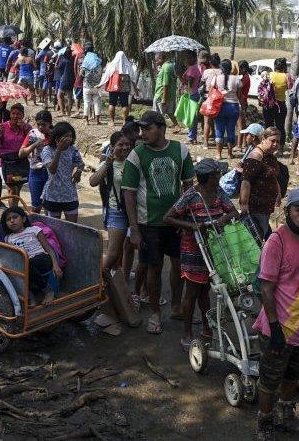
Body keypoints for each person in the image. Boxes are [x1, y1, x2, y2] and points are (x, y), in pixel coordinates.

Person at [253, 188, 299, 441]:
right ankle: (264, 421)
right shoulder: (277, 241)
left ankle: (286, 415)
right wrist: (274, 329)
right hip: (280, 327)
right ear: (288, 212)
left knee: (293, 375)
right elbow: (266, 288)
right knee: (269, 379)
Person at [122, 110, 195, 335]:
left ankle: (175, 306)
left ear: (161, 128)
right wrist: (134, 229)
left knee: (179, 266)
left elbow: (188, 187)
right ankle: (155, 312)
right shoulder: (136, 154)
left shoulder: (180, 150)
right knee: (154, 268)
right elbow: (129, 194)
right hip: (148, 223)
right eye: (141, 129)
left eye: (147, 128)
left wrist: (186, 219)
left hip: (176, 222)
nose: (142, 133)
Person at [164, 158, 237, 348]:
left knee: (205, 291)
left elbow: (233, 212)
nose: (220, 176)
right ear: (210, 177)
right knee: (192, 292)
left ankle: (206, 327)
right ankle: (187, 333)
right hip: (192, 250)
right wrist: (193, 226)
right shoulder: (191, 195)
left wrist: (222, 221)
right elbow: (169, 217)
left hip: (213, 249)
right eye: (217, 174)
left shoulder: (219, 193)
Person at [89, 131, 135, 275]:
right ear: (113, 147)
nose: (125, 147)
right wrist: (107, 164)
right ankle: (95, 281)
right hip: (116, 211)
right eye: (120, 145)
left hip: (134, 212)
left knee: (125, 250)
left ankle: (118, 284)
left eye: (127, 144)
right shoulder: (108, 163)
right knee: (113, 253)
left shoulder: (134, 162)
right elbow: (92, 181)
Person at [0, 206, 64, 303]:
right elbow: (12, 257)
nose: (12, 221)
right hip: (26, 263)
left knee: (27, 264)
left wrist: (56, 265)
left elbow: (49, 249)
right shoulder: (8, 238)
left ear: (24, 219)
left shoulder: (34, 230)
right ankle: (32, 294)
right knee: (22, 266)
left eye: (15, 217)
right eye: (8, 219)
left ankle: (48, 290)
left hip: (42, 258)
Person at [240, 127, 282, 240]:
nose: (275, 144)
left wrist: (278, 193)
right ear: (263, 139)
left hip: (266, 206)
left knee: (262, 234)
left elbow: (272, 176)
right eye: (272, 141)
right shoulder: (256, 156)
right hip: (257, 206)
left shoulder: (269, 156)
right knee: (256, 238)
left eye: (278, 141)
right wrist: (244, 205)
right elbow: (246, 181)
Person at [39, 121, 85, 221]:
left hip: (70, 194)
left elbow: (81, 164)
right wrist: (59, 150)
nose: (69, 139)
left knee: (72, 227)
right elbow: (52, 169)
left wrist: (79, 171)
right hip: (53, 195)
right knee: (55, 228)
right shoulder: (47, 150)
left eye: (71, 136)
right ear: (57, 138)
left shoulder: (73, 150)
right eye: (66, 136)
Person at [0, 103, 32, 205]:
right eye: (13, 113)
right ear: (10, 114)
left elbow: (32, 141)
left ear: (22, 115)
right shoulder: (3, 127)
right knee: (11, 190)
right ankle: (12, 212)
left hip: (21, 163)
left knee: (17, 189)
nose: (15, 116)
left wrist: (25, 129)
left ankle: (15, 211)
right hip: (7, 163)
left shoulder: (26, 127)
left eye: (18, 114)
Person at [20, 110, 54, 213]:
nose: (40, 127)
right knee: (36, 206)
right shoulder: (33, 133)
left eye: (43, 125)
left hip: (51, 173)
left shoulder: (56, 134)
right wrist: (34, 145)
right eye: (38, 124)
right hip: (36, 172)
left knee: (50, 205)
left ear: (50, 123)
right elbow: (21, 153)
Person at [211, 59, 243, 160]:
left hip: (219, 107)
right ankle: (229, 154)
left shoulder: (216, 78)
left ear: (221, 68)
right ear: (231, 68)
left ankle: (218, 154)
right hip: (233, 107)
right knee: (231, 130)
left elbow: (212, 92)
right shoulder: (237, 79)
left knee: (219, 130)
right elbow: (239, 96)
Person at [183, 51, 209, 144]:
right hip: (194, 93)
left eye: (188, 58)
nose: (186, 60)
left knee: (192, 117)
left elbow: (190, 81)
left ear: (194, 58)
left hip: (192, 94)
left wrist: (187, 85)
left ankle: (191, 137)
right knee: (192, 116)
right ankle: (192, 136)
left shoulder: (193, 68)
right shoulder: (193, 68)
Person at [103, 50, 134, 124]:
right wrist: (134, 87)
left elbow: (106, 76)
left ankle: (112, 121)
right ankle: (124, 121)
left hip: (114, 87)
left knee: (112, 103)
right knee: (125, 104)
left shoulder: (112, 65)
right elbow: (132, 77)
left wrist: (101, 83)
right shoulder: (128, 65)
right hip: (125, 88)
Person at [263, 57, 290, 137]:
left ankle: (267, 144)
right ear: (284, 67)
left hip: (269, 104)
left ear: (275, 66)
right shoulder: (287, 77)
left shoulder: (269, 75)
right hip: (281, 104)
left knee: (268, 126)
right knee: (280, 126)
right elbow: (289, 87)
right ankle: (280, 147)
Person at [153, 53, 180, 129]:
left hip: (161, 94)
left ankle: (159, 129)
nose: (155, 62)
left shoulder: (166, 68)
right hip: (170, 94)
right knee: (170, 112)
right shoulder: (170, 65)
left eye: (156, 60)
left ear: (161, 59)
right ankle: (177, 126)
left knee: (158, 114)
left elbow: (165, 83)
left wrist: (163, 98)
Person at [80, 45, 104, 125]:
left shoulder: (85, 63)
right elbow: (101, 74)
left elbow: (81, 75)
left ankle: (86, 121)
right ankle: (97, 121)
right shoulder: (99, 64)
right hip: (97, 87)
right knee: (97, 103)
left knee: (87, 103)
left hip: (86, 86)